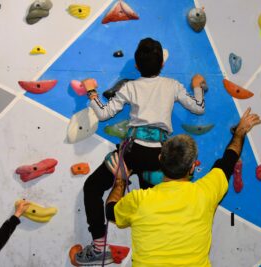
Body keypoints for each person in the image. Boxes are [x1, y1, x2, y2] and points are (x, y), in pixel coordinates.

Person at [75, 37, 208, 265]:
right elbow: (198, 108)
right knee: (157, 209)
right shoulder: (172, 86)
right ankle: (164, 255)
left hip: (131, 152)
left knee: (92, 187)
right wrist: (197, 84)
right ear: (162, 64)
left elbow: (104, 114)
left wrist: (92, 92)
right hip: (160, 158)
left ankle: (98, 247)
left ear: (137, 66)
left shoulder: (130, 87)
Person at [104, 107, 261, 266]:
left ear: (160, 158)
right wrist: (239, 133)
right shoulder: (205, 192)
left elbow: (111, 212)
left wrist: (120, 181)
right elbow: (229, 159)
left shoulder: (139, 200)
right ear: (192, 167)